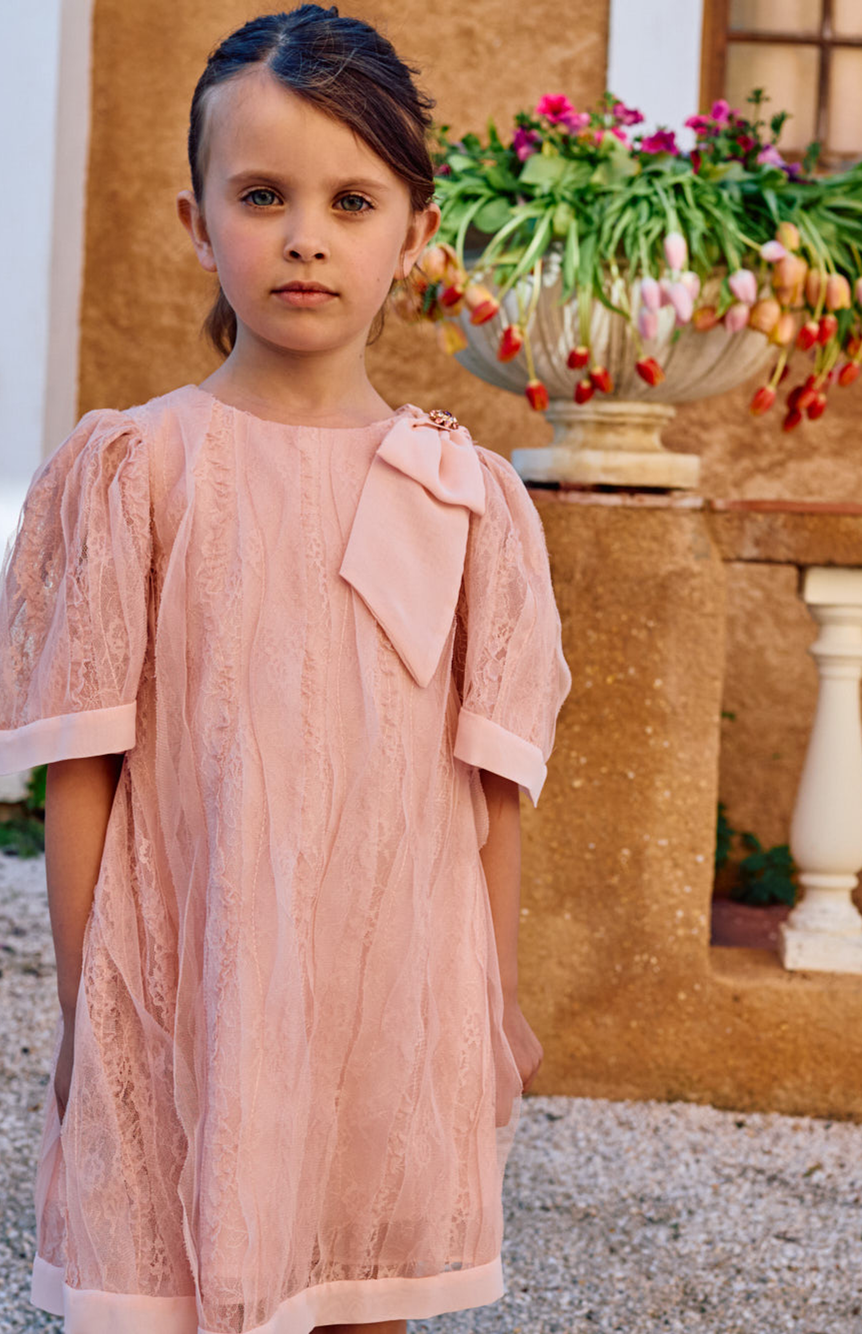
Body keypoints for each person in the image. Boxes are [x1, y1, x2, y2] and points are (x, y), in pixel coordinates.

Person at [0, 6, 572, 1332]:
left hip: (388, 1007)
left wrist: (488, 1009)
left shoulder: (468, 497)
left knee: (363, 1283)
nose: (307, 234)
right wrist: (97, 1015)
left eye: (352, 198)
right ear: (198, 223)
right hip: (187, 993)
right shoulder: (140, 471)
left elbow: (489, 794)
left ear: (414, 232)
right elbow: (85, 772)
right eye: (262, 194)